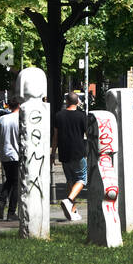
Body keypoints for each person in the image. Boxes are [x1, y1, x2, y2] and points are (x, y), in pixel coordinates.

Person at [51, 91, 87, 222]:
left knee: (71, 181)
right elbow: (88, 134)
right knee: (82, 179)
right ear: (77, 102)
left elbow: (55, 137)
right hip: (78, 152)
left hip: (64, 153)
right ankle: (69, 200)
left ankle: (73, 211)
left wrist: (53, 153)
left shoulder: (58, 116)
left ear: (66, 101)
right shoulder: (82, 116)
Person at [0, 99, 20, 220]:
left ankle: (1, 201)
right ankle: (11, 212)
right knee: (16, 183)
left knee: (9, 180)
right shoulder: (21, 119)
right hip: (16, 154)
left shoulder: (2, 119)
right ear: (19, 105)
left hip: (5, 153)